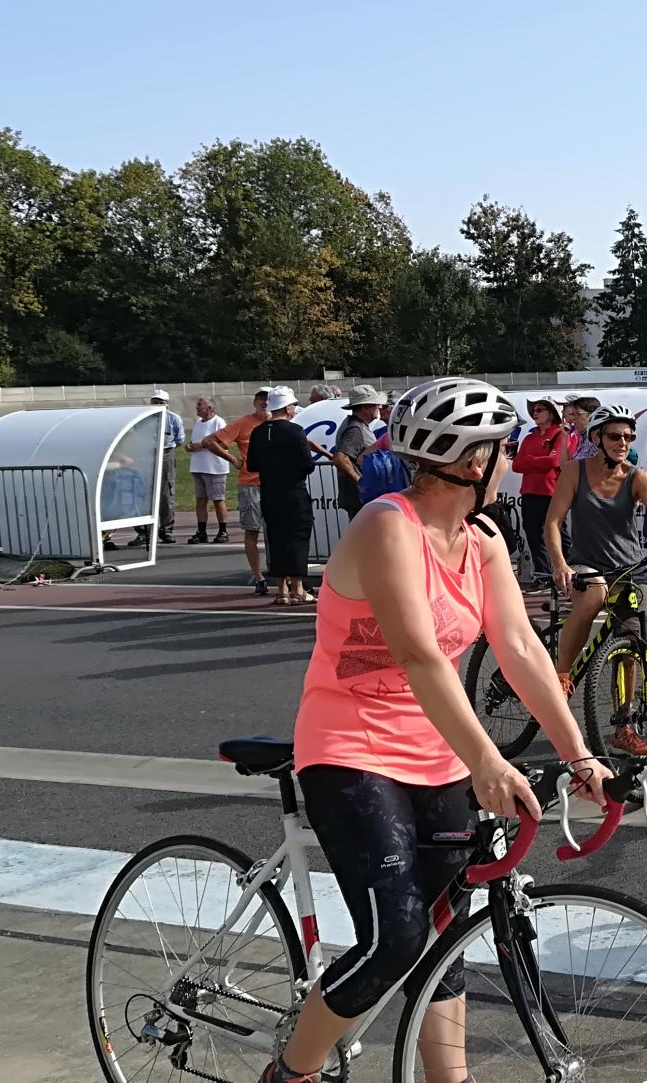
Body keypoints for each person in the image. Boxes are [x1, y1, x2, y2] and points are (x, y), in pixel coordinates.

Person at [261, 376, 611, 1083]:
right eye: (502, 449)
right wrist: (487, 760)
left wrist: (579, 752)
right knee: (396, 938)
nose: (510, 460)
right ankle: (289, 1074)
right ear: (473, 462)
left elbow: (519, 648)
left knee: (444, 933)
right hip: (350, 748)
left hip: (436, 751)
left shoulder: (480, 540)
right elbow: (420, 653)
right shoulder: (387, 525)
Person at [545, 403, 647, 757]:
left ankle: (623, 727)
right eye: (614, 436)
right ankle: (561, 676)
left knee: (629, 649)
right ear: (596, 437)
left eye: (628, 436)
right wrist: (560, 563)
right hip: (586, 563)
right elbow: (553, 523)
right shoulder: (575, 473)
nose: (623, 442)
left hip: (629, 569)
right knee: (593, 597)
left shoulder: (636, 477)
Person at [249, 388, 317, 606]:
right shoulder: (295, 431)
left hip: (270, 492)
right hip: (293, 491)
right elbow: (307, 464)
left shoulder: (258, 432)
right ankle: (297, 587)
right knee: (297, 537)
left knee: (276, 539)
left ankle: (281, 589)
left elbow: (252, 464)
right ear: (288, 408)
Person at [203, 388, 273, 595]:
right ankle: (259, 576)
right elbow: (210, 441)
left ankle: (284, 575)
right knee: (252, 530)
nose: (265, 403)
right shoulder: (244, 423)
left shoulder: (280, 422)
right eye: (261, 399)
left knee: (278, 532)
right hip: (251, 484)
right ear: (255, 402)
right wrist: (233, 460)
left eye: (268, 399)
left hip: (275, 484)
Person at [512, 395, 570, 591]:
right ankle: (543, 575)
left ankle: (570, 571)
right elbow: (517, 464)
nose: (535, 414)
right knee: (533, 534)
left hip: (552, 492)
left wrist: (531, 460)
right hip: (529, 492)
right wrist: (541, 459)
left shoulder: (560, 434)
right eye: (534, 411)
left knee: (558, 532)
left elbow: (554, 463)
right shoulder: (529, 437)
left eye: (539, 410)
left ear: (551, 413)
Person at [133, 389, 185, 546]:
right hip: (146, 454)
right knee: (143, 492)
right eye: (154, 402)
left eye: (160, 402)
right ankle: (143, 532)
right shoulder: (143, 418)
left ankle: (166, 530)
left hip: (166, 453)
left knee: (166, 493)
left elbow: (179, 438)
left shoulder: (173, 419)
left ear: (167, 404)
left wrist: (167, 448)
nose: (157, 405)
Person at [332, 385, 384, 521]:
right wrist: (361, 483)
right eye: (375, 404)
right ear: (365, 407)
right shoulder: (355, 429)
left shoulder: (354, 425)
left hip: (359, 498)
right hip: (360, 500)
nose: (378, 407)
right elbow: (340, 459)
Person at [186, 396, 230, 544]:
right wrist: (191, 446)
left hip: (214, 467)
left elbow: (224, 443)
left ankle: (223, 530)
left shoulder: (219, 422)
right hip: (199, 465)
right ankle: (202, 531)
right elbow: (196, 441)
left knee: (218, 499)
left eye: (200, 406)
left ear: (210, 408)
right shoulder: (198, 423)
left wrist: (203, 446)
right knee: (200, 500)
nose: (197, 408)